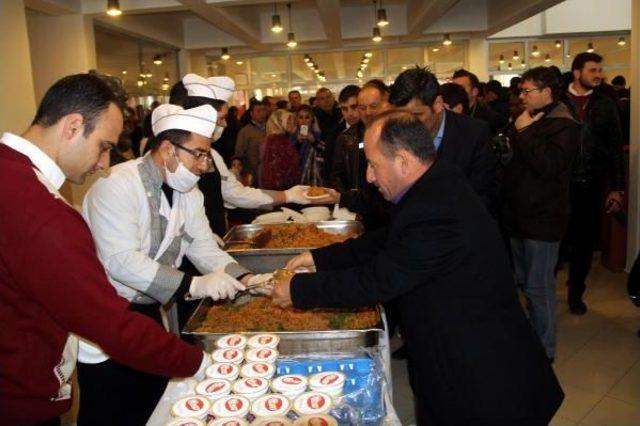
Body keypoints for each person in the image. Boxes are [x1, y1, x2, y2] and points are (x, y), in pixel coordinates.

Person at [272, 110, 564, 426]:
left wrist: (299, 290)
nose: (369, 176)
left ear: (403, 161)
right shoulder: (434, 182)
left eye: (373, 165)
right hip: (456, 355)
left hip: (484, 377)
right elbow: (387, 239)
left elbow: (378, 279)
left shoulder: (435, 209)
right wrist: (320, 258)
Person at [0, 73, 209, 425]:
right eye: (104, 146)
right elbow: (111, 325)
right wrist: (200, 363)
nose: (104, 164)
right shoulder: (42, 212)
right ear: (72, 126)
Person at [78, 102, 271, 425]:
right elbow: (122, 262)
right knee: (111, 408)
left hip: (148, 310)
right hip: (106, 314)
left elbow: (204, 247)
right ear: (167, 149)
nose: (203, 165)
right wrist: (193, 284)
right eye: (198, 154)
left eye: (206, 155)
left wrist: (248, 278)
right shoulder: (117, 185)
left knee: (154, 401)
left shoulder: (188, 193)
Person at [502, 67, 579, 360]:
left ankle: (544, 350)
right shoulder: (530, 118)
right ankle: (532, 338)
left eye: (527, 91)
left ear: (547, 91)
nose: (522, 96)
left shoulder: (564, 124)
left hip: (544, 219)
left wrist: (524, 131)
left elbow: (549, 167)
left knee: (539, 287)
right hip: (518, 216)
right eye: (520, 91)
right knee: (525, 283)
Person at [391, 67, 499, 216]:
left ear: (437, 104)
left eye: (417, 115)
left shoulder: (474, 133)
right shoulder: (396, 135)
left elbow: (483, 195)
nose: (410, 125)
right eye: (402, 117)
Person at [564, 52, 625, 315]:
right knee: (557, 239)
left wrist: (617, 187)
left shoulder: (606, 103)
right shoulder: (557, 100)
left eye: (600, 70)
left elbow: (614, 148)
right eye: (593, 70)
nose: (599, 75)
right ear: (577, 73)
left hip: (592, 182)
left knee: (585, 242)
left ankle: (576, 291)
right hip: (560, 183)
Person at [330, 81, 391, 230]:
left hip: (389, 209)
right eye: (363, 108)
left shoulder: (396, 133)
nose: (368, 112)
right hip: (359, 208)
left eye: (373, 106)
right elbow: (336, 174)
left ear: (386, 104)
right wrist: (349, 201)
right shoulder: (346, 137)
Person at [452, 69, 507, 134]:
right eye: (453, 88)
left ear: (474, 92)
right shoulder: (449, 115)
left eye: (461, 88)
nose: (455, 92)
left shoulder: (491, 118)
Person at [261, 109, 301, 190]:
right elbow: (280, 167)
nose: (292, 123)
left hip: (279, 186)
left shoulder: (276, 138)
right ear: (279, 122)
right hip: (282, 187)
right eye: (288, 121)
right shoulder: (278, 140)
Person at [235, 99, 268, 184]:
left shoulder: (270, 129)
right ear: (251, 113)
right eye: (258, 111)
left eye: (263, 111)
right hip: (253, 174)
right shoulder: (245, 132)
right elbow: (239, 153)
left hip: (268, 173)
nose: (261, 114)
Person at [313, 87, 342, 179]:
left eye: (328, 97)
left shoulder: (342, 112)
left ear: (333, 98)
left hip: (341, 154)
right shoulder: (313, 117)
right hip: (324, 157)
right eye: (322, 99)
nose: (326, 101)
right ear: (317, 102)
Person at [294, 105, 325, 186]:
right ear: (297, 120)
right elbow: (290, 157)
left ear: (312, 119)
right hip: (297, 177)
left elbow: (325, 153)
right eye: (300, 117)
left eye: (307, 117)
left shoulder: (319, 135)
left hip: (314, 177)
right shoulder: (293, 135)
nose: (304, 120)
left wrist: (314, 141)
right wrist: (298, 143)